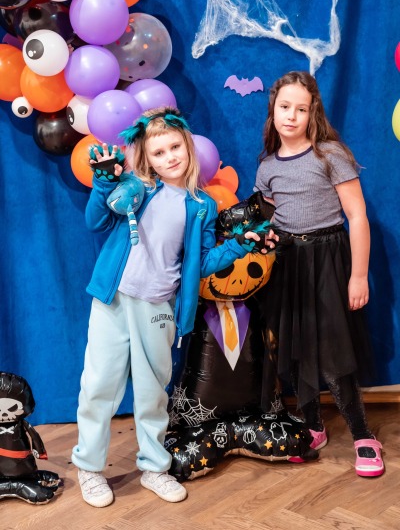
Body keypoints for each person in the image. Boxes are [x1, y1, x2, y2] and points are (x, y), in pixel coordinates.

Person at [72, 107, 277, 507]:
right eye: (159, 152)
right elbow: (96, 222)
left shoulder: (202, 206)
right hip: (114, 300)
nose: (169, 157)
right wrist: (103, 183)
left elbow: (202, 262)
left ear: (188, 147)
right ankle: (90, 468)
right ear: (147, 159)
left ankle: (154, 467)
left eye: (175, 148)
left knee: (153, 393)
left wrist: (240, 245)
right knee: (98, 387)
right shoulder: (134, 187)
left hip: (159, 308)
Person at [253, 71, 384, 478]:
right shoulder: (267, 166)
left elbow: (357, 216)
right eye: (284, 107)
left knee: (333, 350)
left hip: (329, 259)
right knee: (294, 347)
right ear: (273, 110)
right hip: (288, 264)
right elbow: (269, 221)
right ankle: (312, 426)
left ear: (313, 113)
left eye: (301, 109)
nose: (291, 116)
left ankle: (362, 434)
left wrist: (358, 276)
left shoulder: (330, 154)